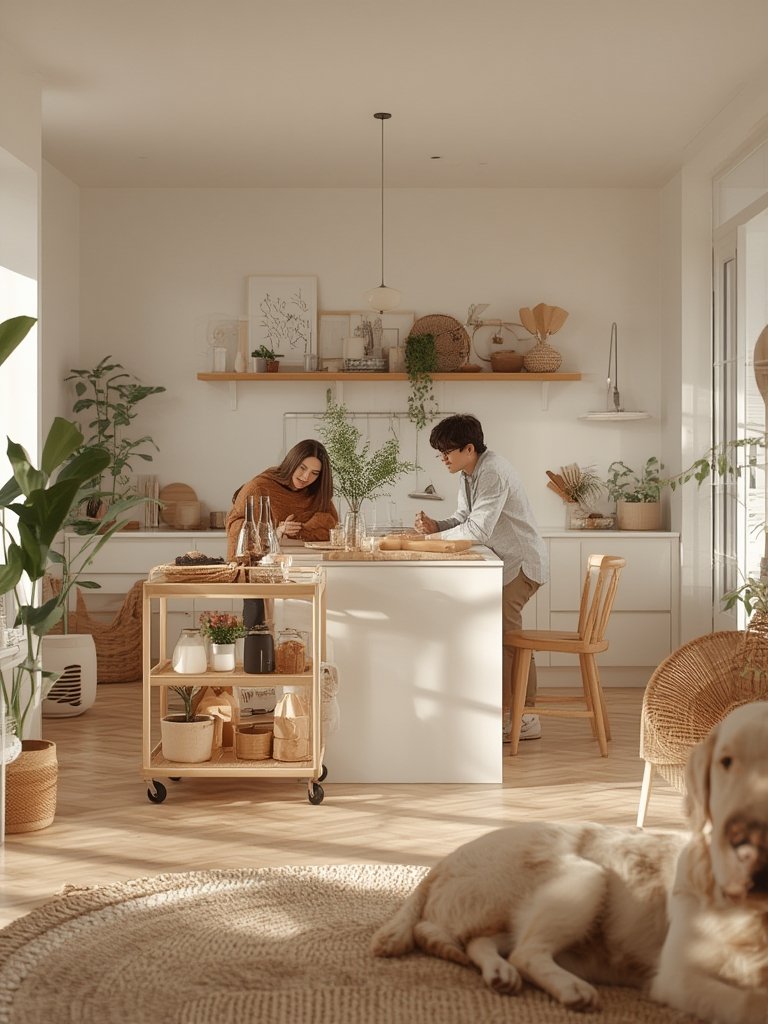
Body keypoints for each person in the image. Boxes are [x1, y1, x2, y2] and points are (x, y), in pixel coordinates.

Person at [413, 414, 548, 742]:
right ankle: (506, 710)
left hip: (522, 563)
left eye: (447, 453)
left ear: (469, 448)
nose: (443, 459)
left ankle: (526, 717)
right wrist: (437, 527)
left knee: (508, 635)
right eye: (440, 453)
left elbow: (479, 528)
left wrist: (428, 543)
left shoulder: (493, 472)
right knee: (501, 633)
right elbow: (464, 517)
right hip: (508, 561)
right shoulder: (470, 472)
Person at [226, 439, 339, 561]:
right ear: (292, 462)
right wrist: (276, 532)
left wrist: (300, 531)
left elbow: (332, 528)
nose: (306, 477)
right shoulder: (258, 488)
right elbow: (235, 528)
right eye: (302, 468)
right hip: (266, 565)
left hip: (309, 563)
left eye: (315, 473)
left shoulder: (317, 494)